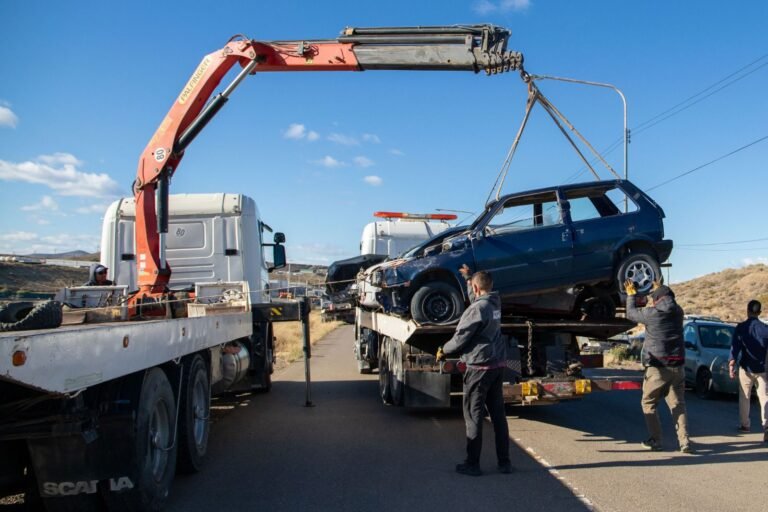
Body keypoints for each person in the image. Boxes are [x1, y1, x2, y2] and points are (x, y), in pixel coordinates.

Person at [437, 269, 511, 476]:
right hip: (497, 365)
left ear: (476, 288)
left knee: (473, 415)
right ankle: (504, 463)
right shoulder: (495, 303)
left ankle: (473, 464)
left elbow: (461, 337)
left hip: (479, 368)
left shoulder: (476, 310)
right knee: (498, 416)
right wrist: (470, 279)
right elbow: (478, 302)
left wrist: (444, 350)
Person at [625, 279, 691, 453]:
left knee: (648, 403)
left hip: (658, 367)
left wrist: (631, 295)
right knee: (678, 405)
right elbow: (665, 299)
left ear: (657, 300)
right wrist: (660, 290)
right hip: (678, 367)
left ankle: (656, 440)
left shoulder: (652, 314)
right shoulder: (678, 311)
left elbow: (631, 314)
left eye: (654, 298)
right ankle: (685, 442)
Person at [729, 300, 768, 442]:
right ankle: (767, 425)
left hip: (746, 368)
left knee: (744, 397)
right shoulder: (765, 329)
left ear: (747, 310)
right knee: (764, 397)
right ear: (759, 312)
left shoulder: (741, 327)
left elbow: (735, 346)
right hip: (762, 369)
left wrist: (731, 362)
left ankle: (745, 424)